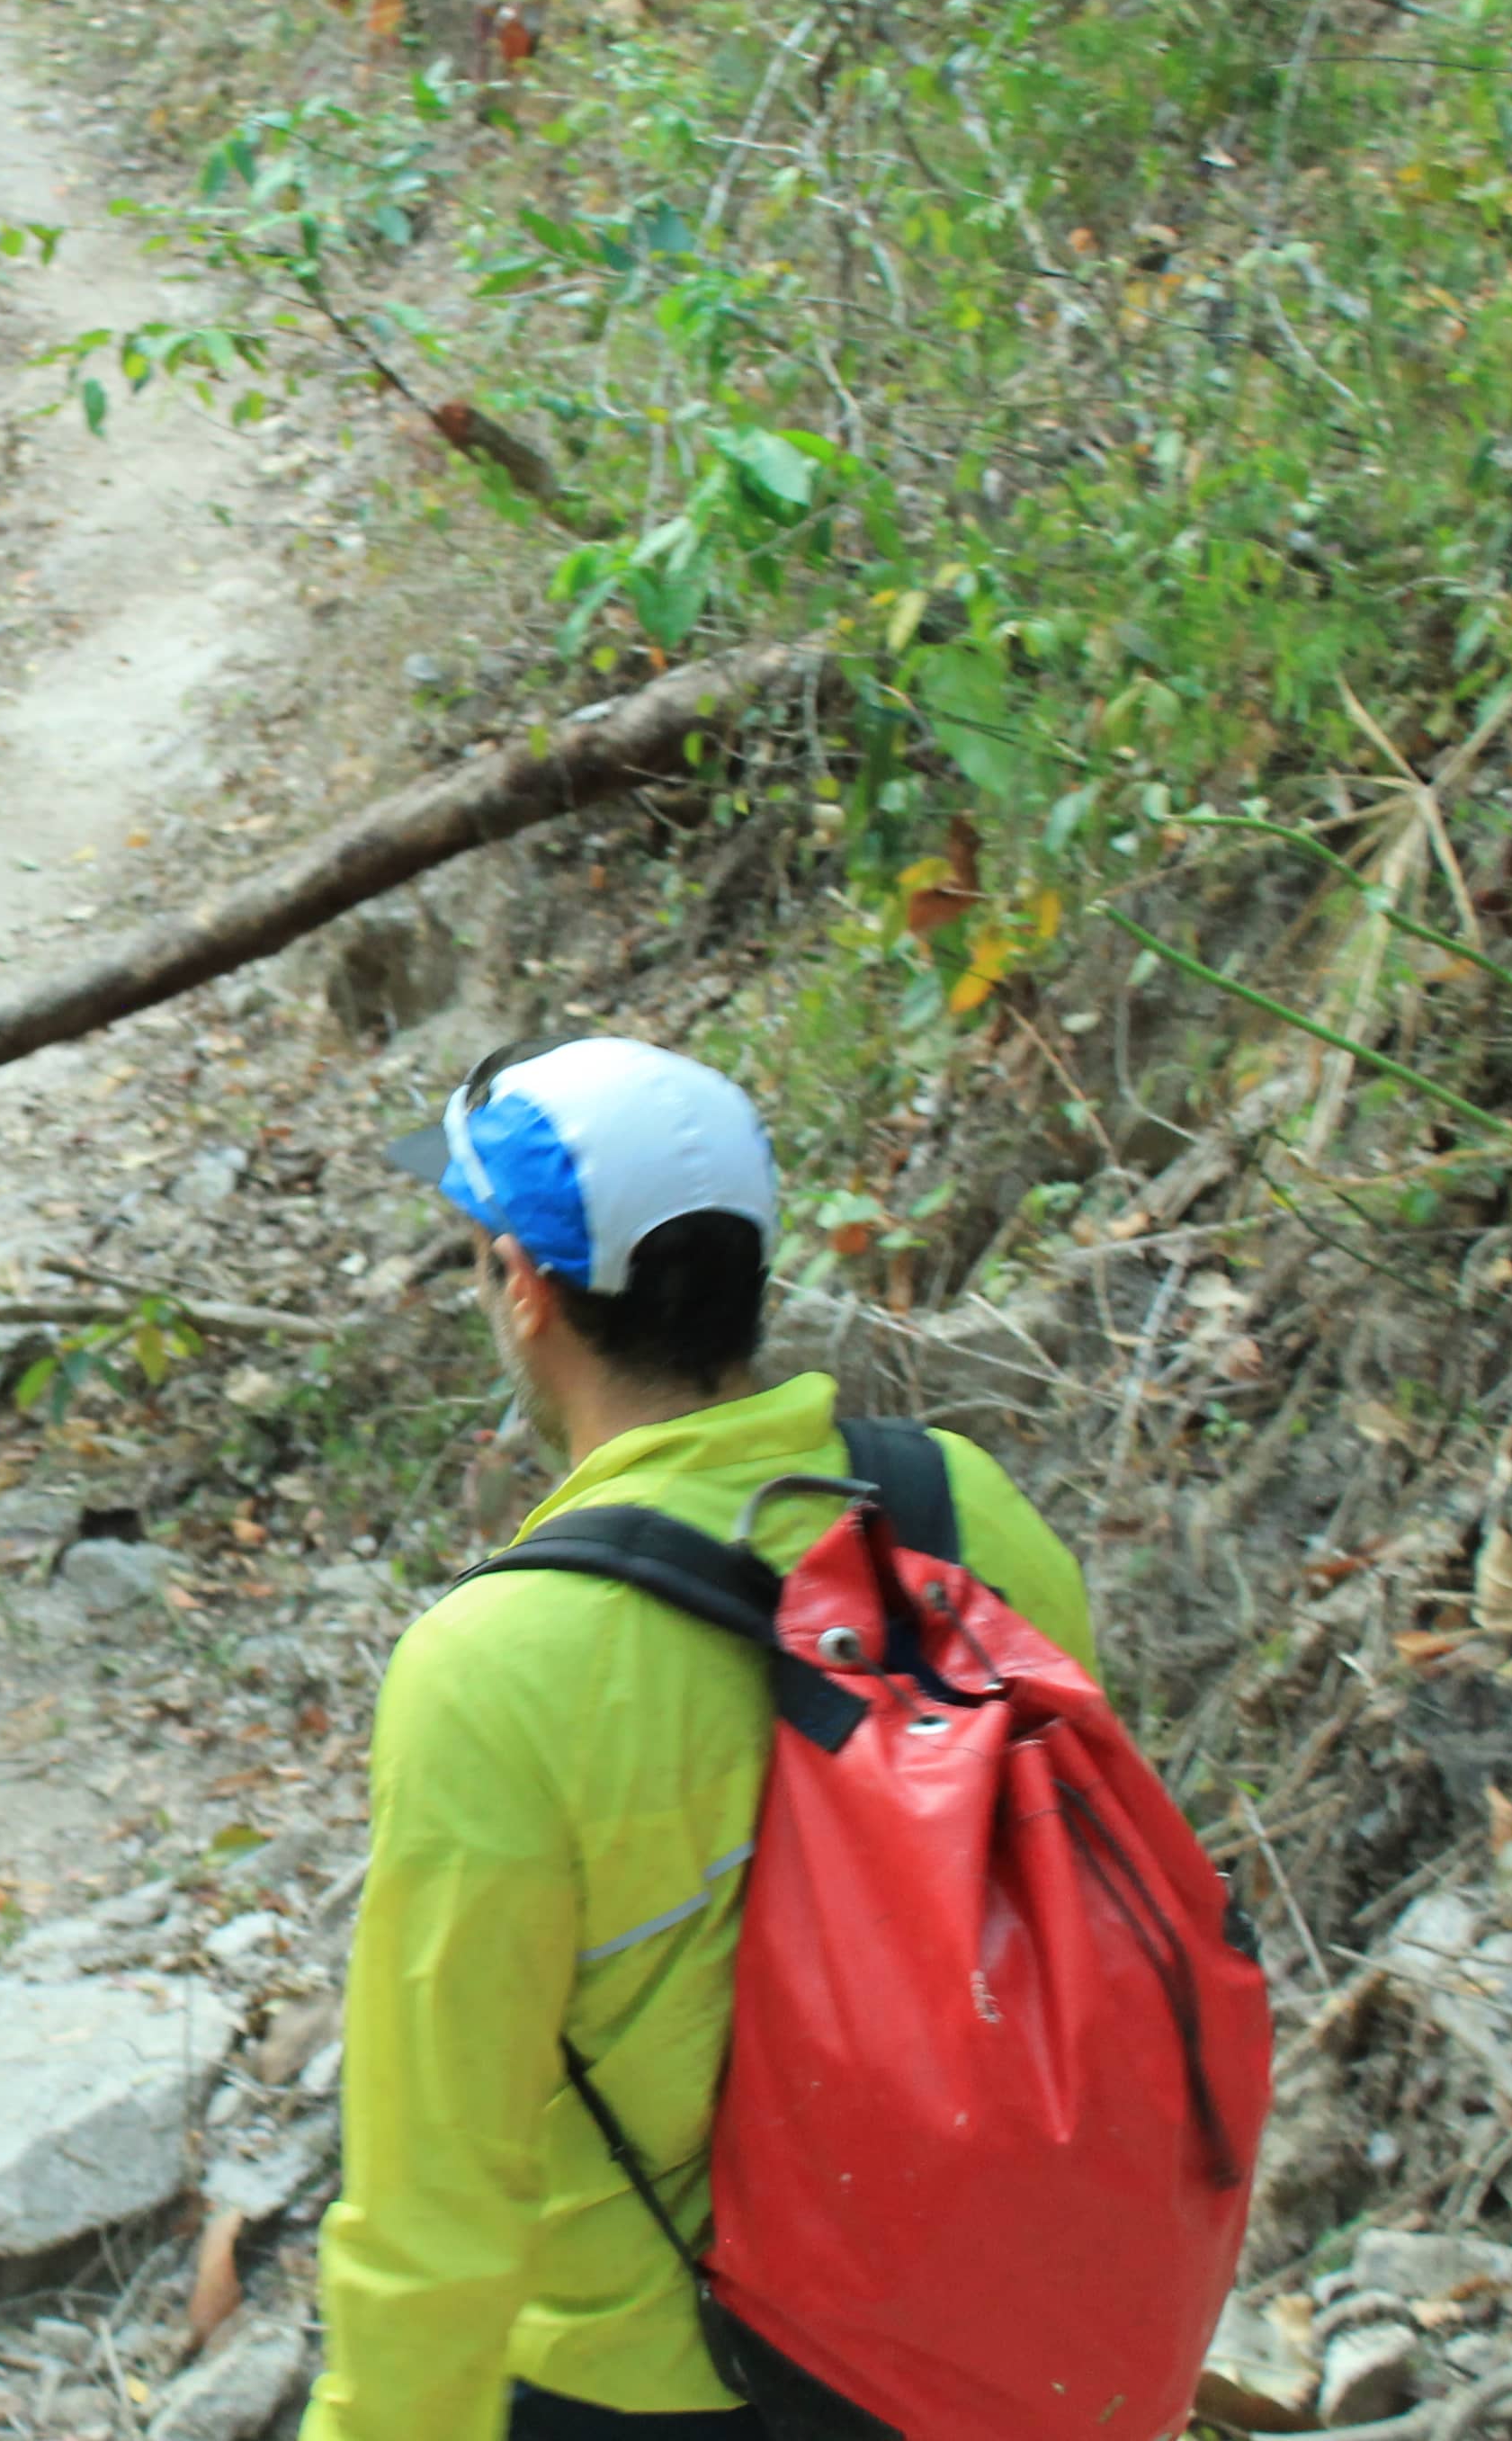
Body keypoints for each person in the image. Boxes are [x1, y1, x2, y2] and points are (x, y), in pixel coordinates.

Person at [305, 1038, 1096, 2441]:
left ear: (529, 1292)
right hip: (974, 2336)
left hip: (657, 2386)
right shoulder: (960, 1513)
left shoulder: (492, 1669)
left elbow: (435, 2199)